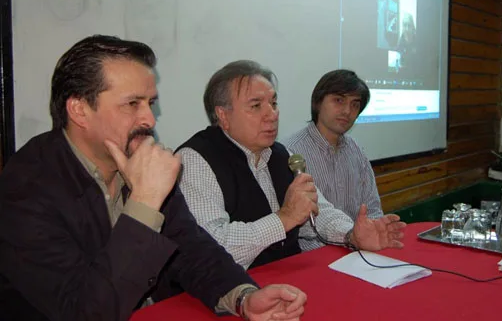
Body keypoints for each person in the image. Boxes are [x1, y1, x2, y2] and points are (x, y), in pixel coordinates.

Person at [0, 36, 306, 321]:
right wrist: (145, 202)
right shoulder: (26, 187)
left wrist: (243, 297)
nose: (149, 119)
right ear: (79, 110)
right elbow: (85, 311)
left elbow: (193, 250)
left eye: (150, 103)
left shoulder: (140, 158)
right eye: (133, 104)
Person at [177, 60, 406, 270]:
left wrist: (351, 235)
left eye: (273, 103)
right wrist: (284, 217)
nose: (272, 114)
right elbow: (212, 248)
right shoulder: (196, 160)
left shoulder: (280, 154)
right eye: (256, 106)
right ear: (223, 116)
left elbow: (318, 212)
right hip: (231, 294)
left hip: (285, 278)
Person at [284, 70, 384, 221]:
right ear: (318, 102)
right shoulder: (292, 152)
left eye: (355, 105)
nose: (347, 111)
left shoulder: (355, 149)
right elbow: (299, 219)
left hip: (360, 242)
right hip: (316, 244)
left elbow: (373, 208)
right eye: (339, 100)